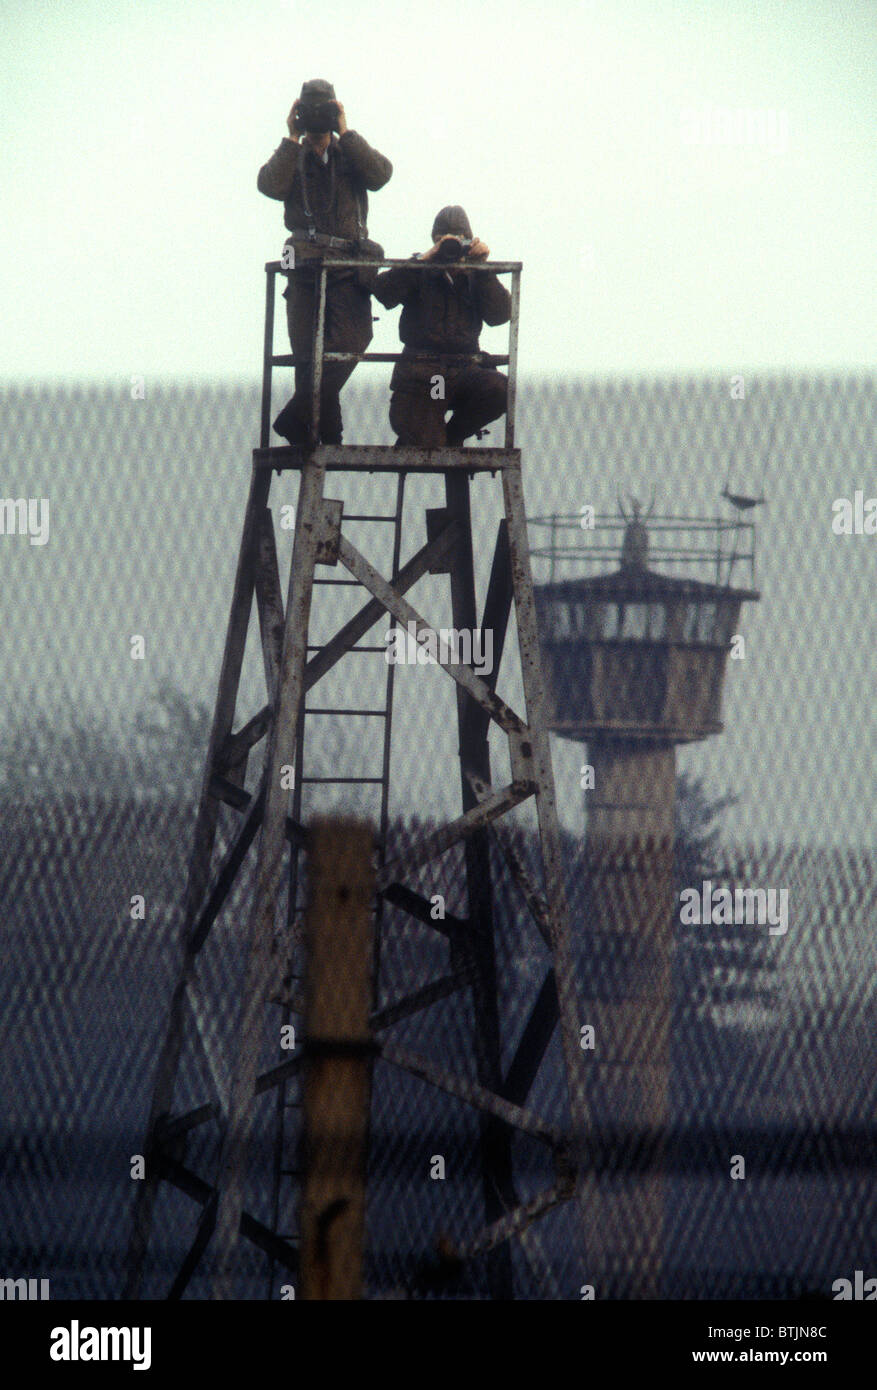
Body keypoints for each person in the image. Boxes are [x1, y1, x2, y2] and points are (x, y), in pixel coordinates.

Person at [257, 79, 392, 444]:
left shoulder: (351, 153)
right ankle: (325, 435)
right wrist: (290, 139)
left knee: (354, 340)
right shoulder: (292, 157)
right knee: (307, 355)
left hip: (349, 265)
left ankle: (296, 419)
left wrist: (346, 132)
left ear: (335, 111)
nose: (317, 120)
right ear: (299, 115)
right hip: (304, 265)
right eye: (310, 112)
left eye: (324, 111)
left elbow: (381, 175)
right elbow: (270, 186)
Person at [372, 206, 511, 447]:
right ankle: (435, 436)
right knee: (430, 445)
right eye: (443, 241)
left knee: (500, 389)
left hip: (464, 371)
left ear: (469, 241)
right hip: (422, 375)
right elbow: (384, 292)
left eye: (459, 240)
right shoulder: (420, 270)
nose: (451, 249)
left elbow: (500, 315)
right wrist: (423, 261)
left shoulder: (477, 275)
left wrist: (484, 271)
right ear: (433, 242)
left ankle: (453, 435)